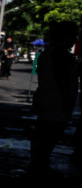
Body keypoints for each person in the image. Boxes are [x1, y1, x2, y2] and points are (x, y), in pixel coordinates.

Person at [28, 21, 80, 173]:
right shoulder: (62, 55)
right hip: (56, 100)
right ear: (66, 36)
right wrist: (68, 102)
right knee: (50, 134)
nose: (74, 40)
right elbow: (62, 82)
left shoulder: (48, 52)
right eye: (73, 36)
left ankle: (37, 162)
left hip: (45, 96)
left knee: (42, 131)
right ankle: (40, 163)